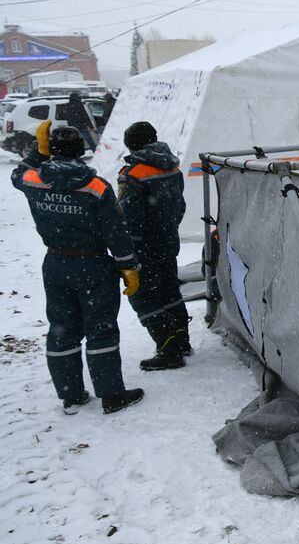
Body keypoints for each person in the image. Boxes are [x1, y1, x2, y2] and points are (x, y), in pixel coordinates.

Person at [11, 124, 144, 414]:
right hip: (93, 265)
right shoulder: (96, 187)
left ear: (52, 150)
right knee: (101, 330)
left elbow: (17, 175)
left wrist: (38, 152)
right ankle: (111, 394)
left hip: (56, 264)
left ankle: (70, 394)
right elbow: (115, 233)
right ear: (80, 151)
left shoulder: (34, 180)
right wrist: (128, 266)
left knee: (62, 330)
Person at [118, 122, 192, 371]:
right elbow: (179, 206)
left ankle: (168, 347)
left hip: (145, 247)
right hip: (168, 241)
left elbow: (131, 219)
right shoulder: (172, 166)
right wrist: (167, 228)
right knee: (170, 291)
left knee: (142, 296)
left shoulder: (134, 174)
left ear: (131, 145)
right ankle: (182, 339)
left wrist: (128, 252)